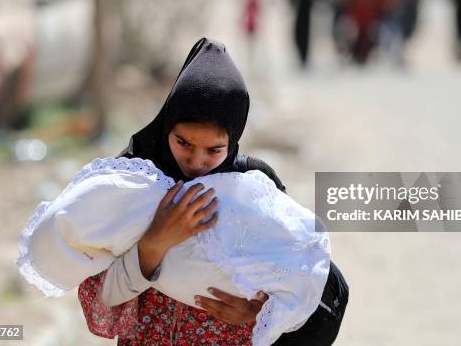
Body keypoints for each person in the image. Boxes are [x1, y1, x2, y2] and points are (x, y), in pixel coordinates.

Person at [77, 38, 349, 345]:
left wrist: (258, 313)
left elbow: (300, 281)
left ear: (232, 141)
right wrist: (153, 246)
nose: (197, 162)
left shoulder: (253, 189)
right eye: (183, 143)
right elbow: (99, 299)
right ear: (166, 126)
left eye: (214, 149)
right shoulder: (133, 181)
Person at [290, 0, 321, 68]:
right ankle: (303, 57)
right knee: (303, 34)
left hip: (304, 8)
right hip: (305, 8)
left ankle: (303, 57)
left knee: (301, 34)